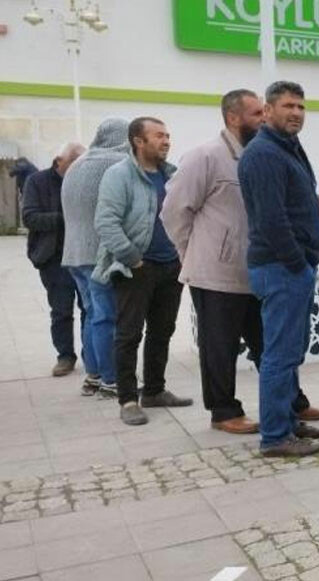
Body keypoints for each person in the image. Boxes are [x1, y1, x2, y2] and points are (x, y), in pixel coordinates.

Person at [163, 89, 319, 435]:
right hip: (218, 270)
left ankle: (290, 407)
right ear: (233, 117)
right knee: (220, 345)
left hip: (260, 267)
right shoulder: (205, 156)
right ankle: (224, 410)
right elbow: (174, 211)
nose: (263, 118)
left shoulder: (271, 151)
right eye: (256, 113)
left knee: (272, 345)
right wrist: (192, 254)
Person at [239, 80, 319, 457]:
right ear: (268, 109)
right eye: (288, 106)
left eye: (301, 107)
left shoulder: (287, 148)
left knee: (290, 351)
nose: (296, 112)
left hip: (293, 266)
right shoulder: (263, 154)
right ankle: (275, 436)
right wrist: (298, 261)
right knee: (278, 354)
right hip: (281, 268)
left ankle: (287, 420)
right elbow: (271, 219)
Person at [94, 117, 193, 426]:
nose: (166, 141)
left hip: (171, 267)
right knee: (128, 335)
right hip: (136, 268)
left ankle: (154, 390)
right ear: (138, 140)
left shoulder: (172, 175)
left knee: (162, 332)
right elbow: (105, 222)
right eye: (159, 136)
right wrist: (132, 258)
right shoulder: (119, 175)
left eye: (168, 135)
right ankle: (127, 400)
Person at [62, 118, 128, 397]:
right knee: (106, 317)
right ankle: (111, 380)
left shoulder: (78, 164)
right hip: (100, 253)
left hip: (74, 253)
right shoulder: (115, 164)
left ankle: (93, 375)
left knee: (92, 314)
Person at [21, 143, 86, 377]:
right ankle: (65, 356)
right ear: (59, 161)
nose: (78, 168)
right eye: (74, 163)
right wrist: (66, 218)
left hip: (82, 255)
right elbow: (30, 217)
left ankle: (92, 355)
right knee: (61, 311)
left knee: (90, 309)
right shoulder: (37, 181)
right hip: (53, 258)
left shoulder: (83, 181)